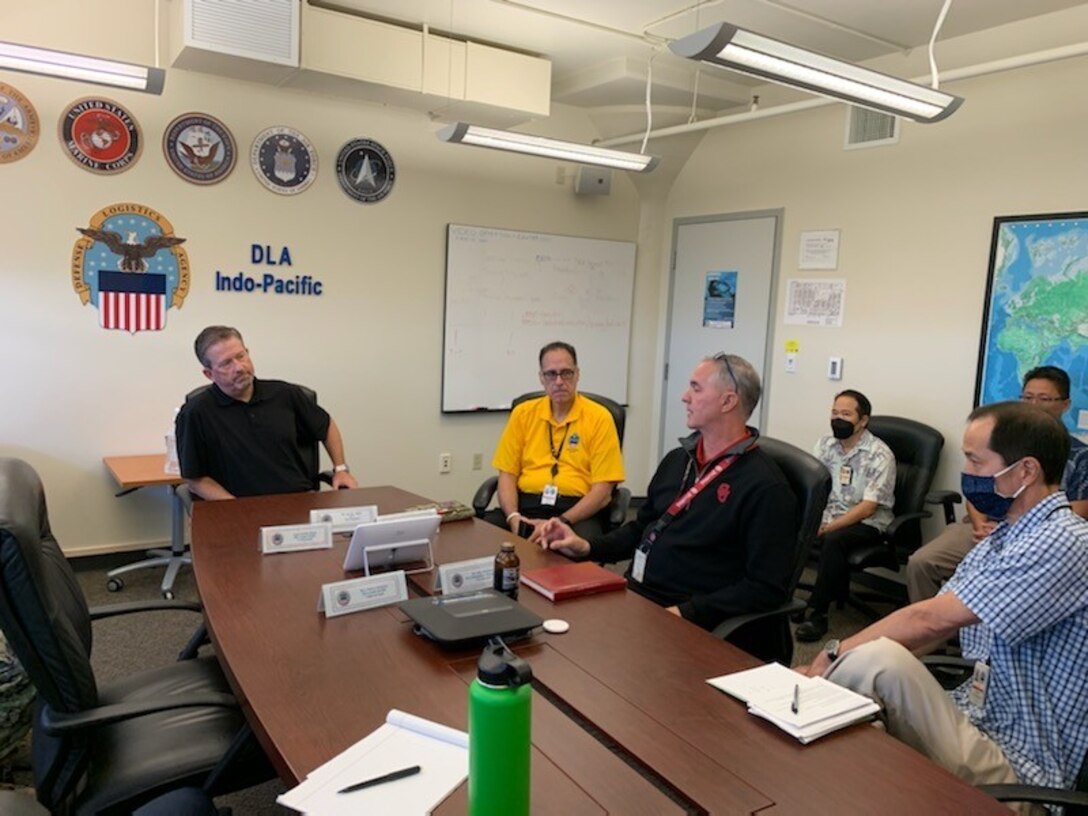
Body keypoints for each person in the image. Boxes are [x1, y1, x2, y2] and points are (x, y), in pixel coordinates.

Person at [798, 402, 1088, 812]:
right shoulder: (1004, 538)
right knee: (855, 725)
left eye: (974, 459)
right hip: (973, 716)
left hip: (1019, 767)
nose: (965, 473)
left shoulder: (1061, 539)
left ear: (1025, 471)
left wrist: (829, 657)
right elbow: (934, 629)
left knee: (876, 662)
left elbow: (928, 619)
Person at [535, 353, 798, 650]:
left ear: (728, 402)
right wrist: (588, 547)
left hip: (691, 620)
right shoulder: (679, 460)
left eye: (696, 389)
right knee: (550, 634)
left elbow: (765, 587)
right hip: (640, 599)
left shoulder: (766, 487)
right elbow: (643, 528)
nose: (685, 397)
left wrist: (686, 613)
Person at [906, 365, 1088, 602]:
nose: (1033, 406)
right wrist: (980, 524)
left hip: (1035, 536)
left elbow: (1079, 511)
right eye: (1028, 398)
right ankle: (932, 637)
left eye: (1044, 399)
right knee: (921, 562)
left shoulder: (1080, 456)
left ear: (1065, 404)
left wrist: (1014, 529)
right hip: (984, 527)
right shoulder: (998, 443)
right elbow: (976, 489)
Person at [175, 326, 358, 500]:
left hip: (299, 501)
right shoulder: (195, 413)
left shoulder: (286, 394)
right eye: (226, 363)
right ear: (209, 374)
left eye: (241, 356)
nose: (239, 367)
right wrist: (236, 507)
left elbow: (325, 426)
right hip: (238, 508)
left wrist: (340, 469)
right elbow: (195, 479)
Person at [486, 341, 625, 540]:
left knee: (576, 550)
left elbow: (603, 491)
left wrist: (561, 522)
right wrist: (514, 517)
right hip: (526, 506)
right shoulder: (523, 414)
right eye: (551, 374)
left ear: (577, 374)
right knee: (485, 536)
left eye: (566, 373)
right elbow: (507, 474)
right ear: (541, 378)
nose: (559, 381)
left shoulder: (600, 418)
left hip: (576, 512)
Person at [795, 389, 896, 643]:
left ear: (863, 421)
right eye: (834, 413)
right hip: (829, 515)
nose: (837, 419)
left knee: (835, 539)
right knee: (785, 523)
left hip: (867, 522)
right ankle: (782, 597)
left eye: (846, 414)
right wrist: (811, 519)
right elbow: (812, 487)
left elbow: (868, 507)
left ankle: (817, 613)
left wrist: (828, 527)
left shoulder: (879, 454)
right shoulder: (825, 445)